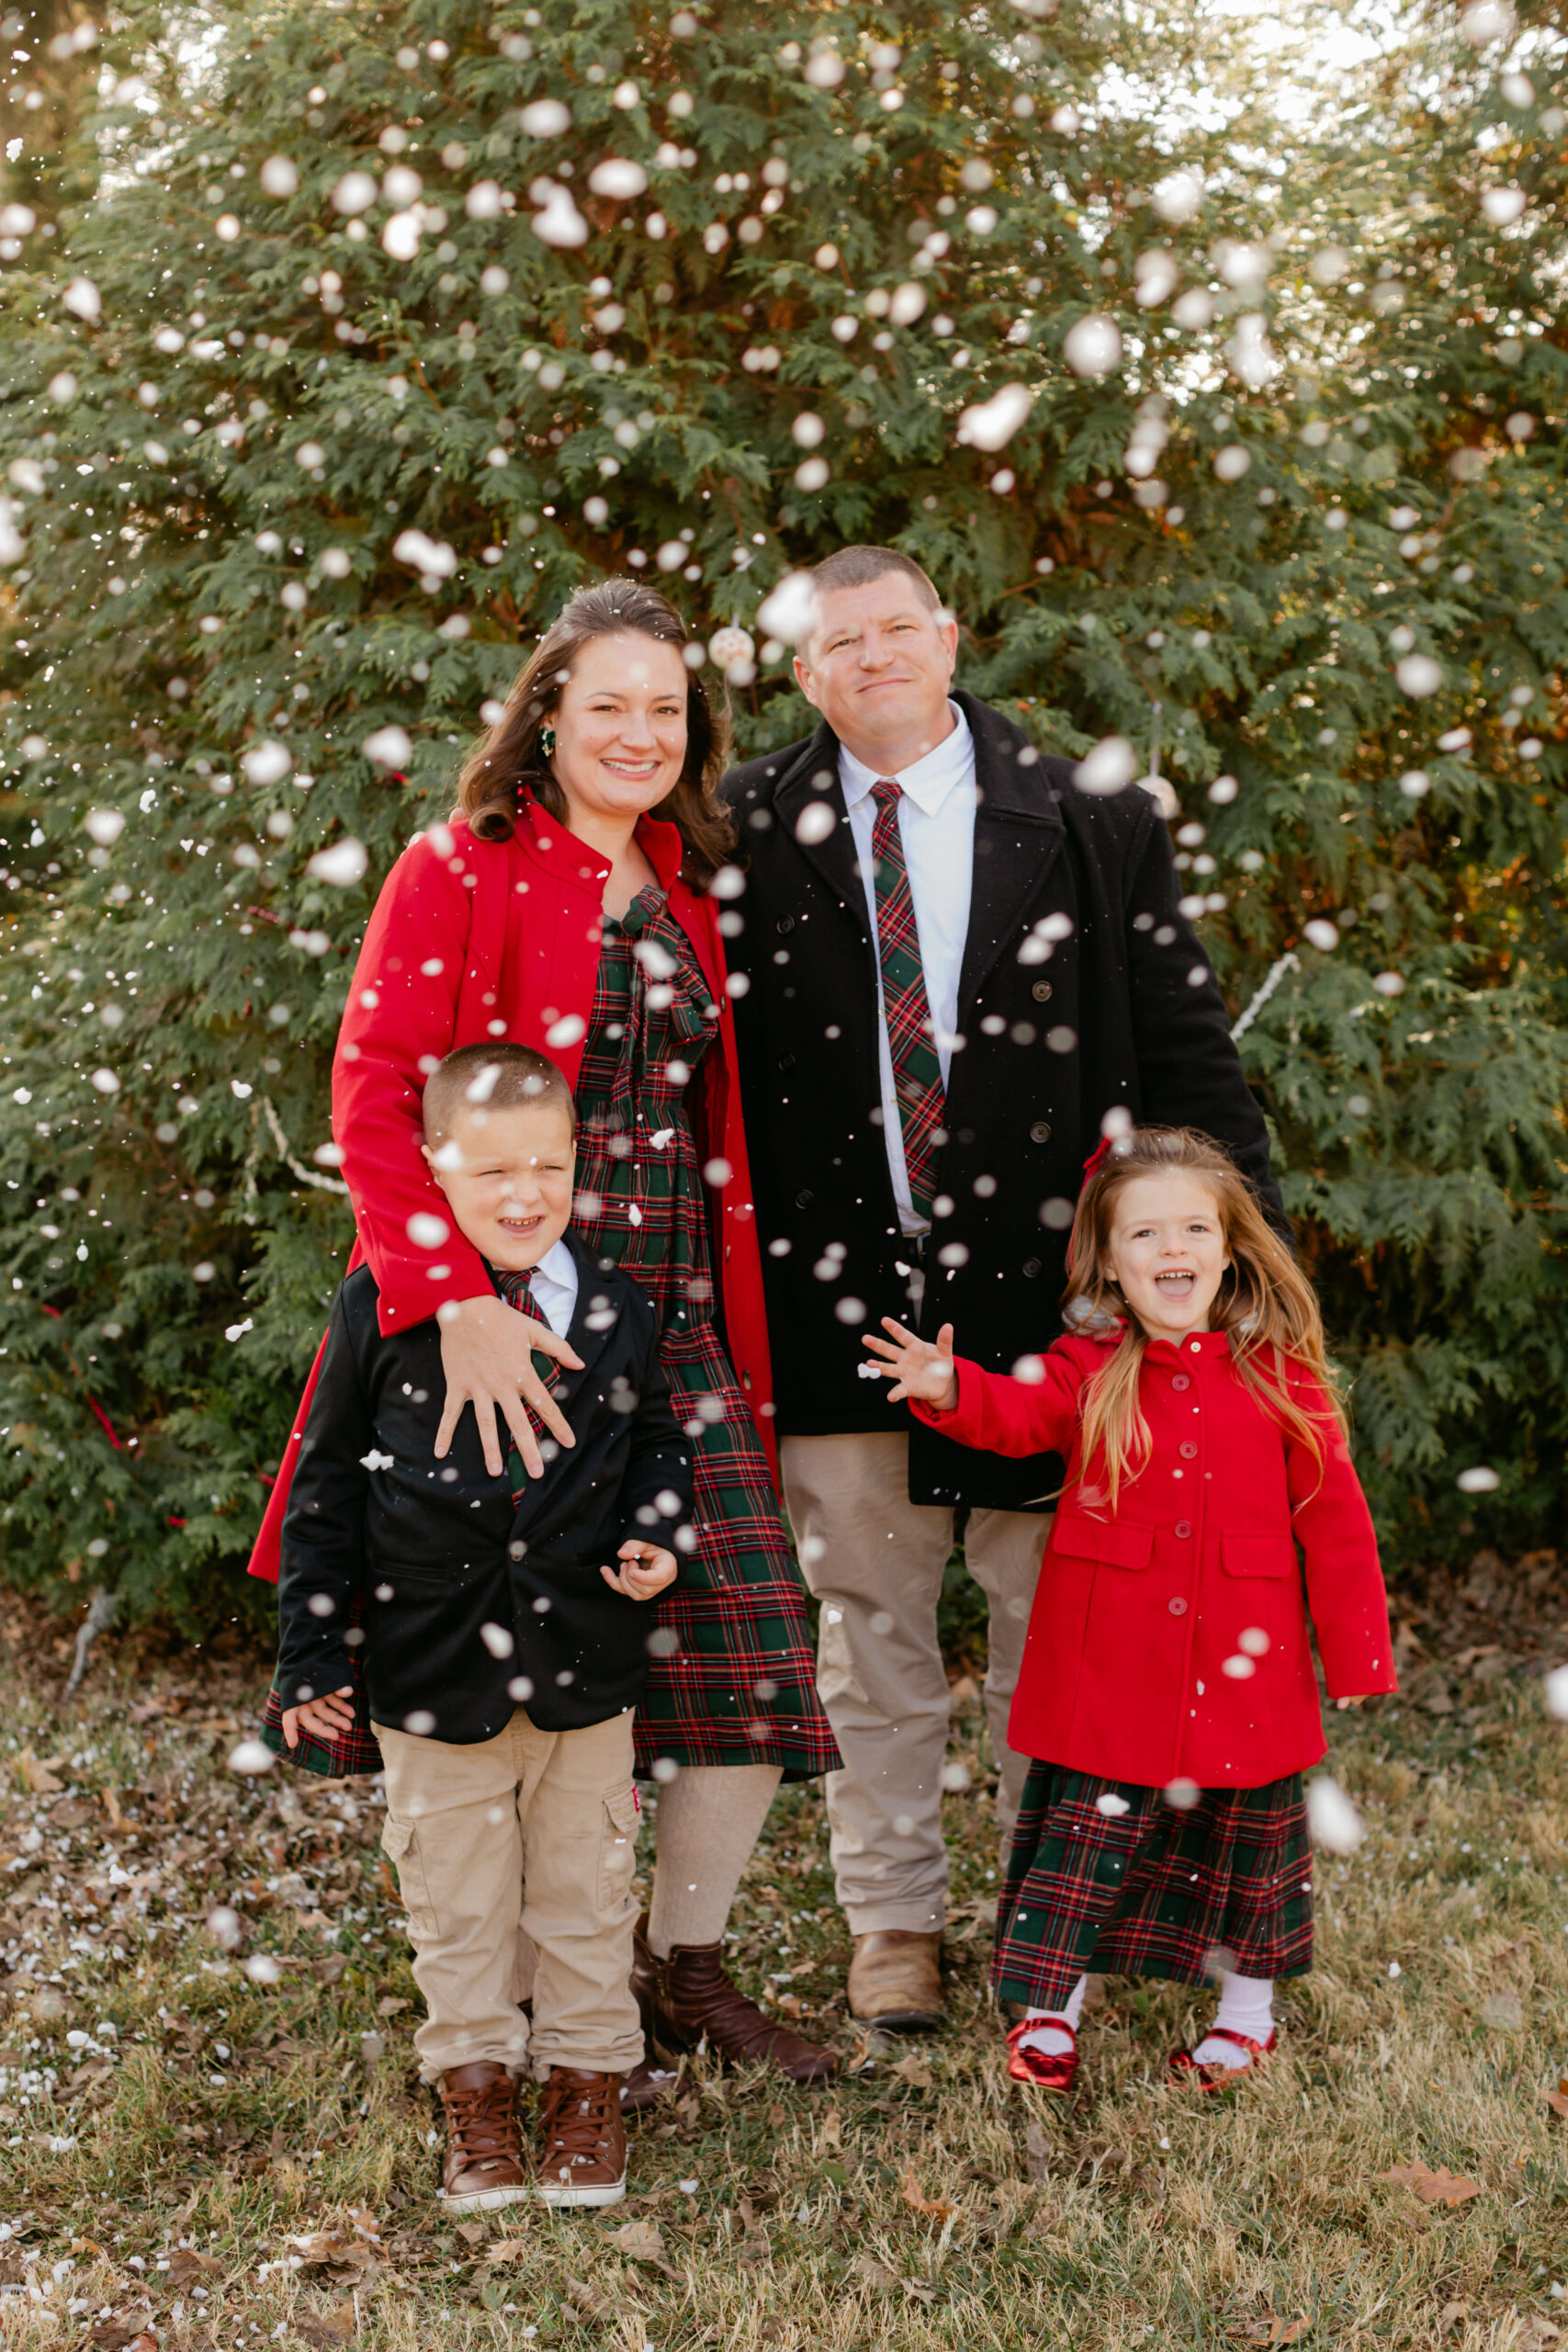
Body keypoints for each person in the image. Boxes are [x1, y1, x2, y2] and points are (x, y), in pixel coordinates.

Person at [249, 579, 840, 2098]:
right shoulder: (461, 868)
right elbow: (377, 1089)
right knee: (512, 1654)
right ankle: (515, 1993)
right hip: (505, 1320)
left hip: (673, 1324)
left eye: (666, 709)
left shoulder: (690, 888)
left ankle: (680, 1965)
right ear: (547, 721)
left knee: (753, 1650)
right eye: (607, 706)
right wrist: (451, 1301)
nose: (638, 734)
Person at [719, 544, 1289, 2031]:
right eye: (840, 644)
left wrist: (1247, 1282)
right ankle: (893, 1920)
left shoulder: (1088, 818)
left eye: (895, 630)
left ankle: (1061, 1912)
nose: (873, 658)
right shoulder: (736, 831)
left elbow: (1183, 1055)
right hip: (838, 1297)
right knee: (874, 1629)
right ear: (802, 673)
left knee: (1063, 1631)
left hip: (1055, 1307)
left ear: (948, 637)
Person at [863, 1124, 1395, 2091]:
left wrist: (1358, 1654)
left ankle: (1246, 2016)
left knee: (1245, 1859)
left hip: (1246, 1670)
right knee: (1079, 1854)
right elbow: (1020, 1417)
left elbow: (1337, 1521)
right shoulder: (1090, 1365)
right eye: (1145, 1234)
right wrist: (949, 1387)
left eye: (1194, 1227)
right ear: (1109, 1260)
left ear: (1231, 1246)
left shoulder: (1283, 1377)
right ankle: (1050, 2016)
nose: (1173, 1250)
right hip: (1108, 1670)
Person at [275, 1044, 692, 2209]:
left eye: (547, 1167)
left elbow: (657, 1438)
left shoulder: (613, 1305)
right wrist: (311, 1651)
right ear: (433, 1174)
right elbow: (325, 1491)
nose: (523, 1195)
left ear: (578, 1166)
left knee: (587, 1892)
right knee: (454, 1902)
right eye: (491, 1169)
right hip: (430, 1667)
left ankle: (587, 2086)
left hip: (584, 1660)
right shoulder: (380, 1307)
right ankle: (476, 2090)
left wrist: (658, 1531)